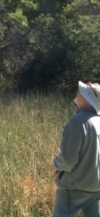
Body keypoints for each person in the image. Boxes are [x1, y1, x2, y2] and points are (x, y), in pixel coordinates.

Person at [52, 81, 100, 217]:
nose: (78, 93)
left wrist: (56, 164)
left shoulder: (77, 122)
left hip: (74, 187)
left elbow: (68, 161)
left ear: (87, 99)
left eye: (81, 92)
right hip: (96, 187)